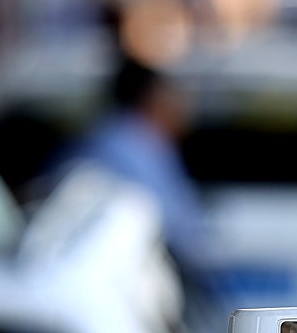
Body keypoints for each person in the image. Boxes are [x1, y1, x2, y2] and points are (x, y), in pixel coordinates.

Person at [69, 56, 208, 271]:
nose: (183, 105)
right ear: (152, 98)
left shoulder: (105, 138)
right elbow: (178, 230)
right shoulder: (135, 148)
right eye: (172, 95)